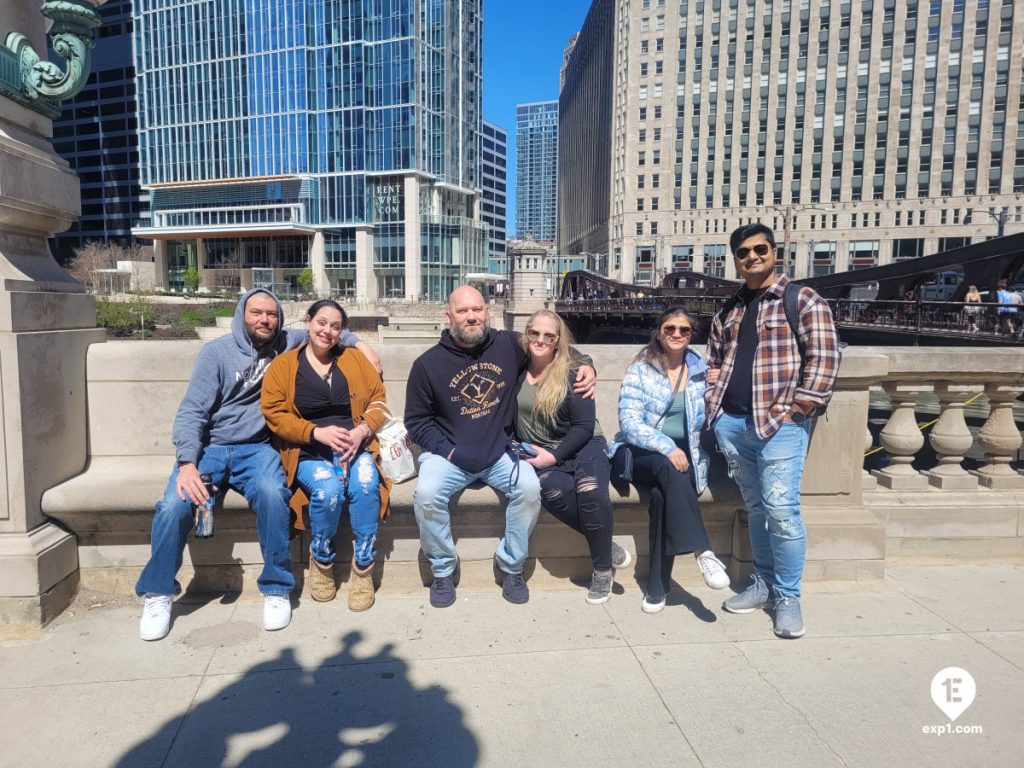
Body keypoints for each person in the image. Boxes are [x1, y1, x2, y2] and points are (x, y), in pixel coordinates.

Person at [135, 288, 379, 641]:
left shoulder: (285, 341)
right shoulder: (216, 353)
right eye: (256, 313)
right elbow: (192, 411)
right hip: (211, 448)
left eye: (271, 314)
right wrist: (187, 462)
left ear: (280, 319)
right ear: (241, 315)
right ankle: (158, 593)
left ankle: (277, 588)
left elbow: (327, 330)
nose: (264, 320)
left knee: (272, 496)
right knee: (174, 505)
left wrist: (362, 345)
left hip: (259, 448)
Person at [405, 286, 596, 608]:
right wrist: (450, 451)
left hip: (500, 452)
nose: (471, 317)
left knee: (529, 489)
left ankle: (511, 566)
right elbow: (417, 421)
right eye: (463, 311)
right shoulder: (427, 364)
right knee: (425, 495)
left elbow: (550, 347)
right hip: (449, 455)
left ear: (488, 311)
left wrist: (588, 364)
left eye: (477, 309)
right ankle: (442, 569)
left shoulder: (508, 345)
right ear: (448, 316)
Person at [706, 223, 840, 639]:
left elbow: (825, 358)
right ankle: (762, 584)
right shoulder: (729, 309)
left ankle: (787, 596)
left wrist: (797, 410)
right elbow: (715, 359)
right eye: (743, 252)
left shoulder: (801, 299)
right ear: (735, 259)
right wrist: (716, 400)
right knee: (759, 510)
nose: (752, 257)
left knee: (782, 513)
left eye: (759, 249)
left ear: (774, 251)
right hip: (733, 423)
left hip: (778, 425)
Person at [261, 300, 391, 611]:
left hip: (355, 446)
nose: (327, 331)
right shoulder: (284, 366)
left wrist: (360, 432)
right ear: (308, 322)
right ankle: (321, 558)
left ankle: (363, 566)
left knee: (364, 485)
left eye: (335, 326)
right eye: (321, 322)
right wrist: (316, 433)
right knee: (328, 491)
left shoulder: (354, 361)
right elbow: (274, 414)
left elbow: (379, 402)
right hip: (307, 450)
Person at [611, 306, 729, 614]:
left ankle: (656, 588)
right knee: (668, 467)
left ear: (691, 335)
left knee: (665, 498)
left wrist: (719, 384)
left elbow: (716, 416)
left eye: (684, 330)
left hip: (686, 457)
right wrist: (666, 446)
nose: (677, 334)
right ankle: (703, 551)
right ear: (659, 332)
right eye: (670, 329)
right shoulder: (641, 369)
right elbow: (630, 422)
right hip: (642, 453)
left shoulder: (701, 371)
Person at [514, 309, 630, 605]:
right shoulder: (514, 366)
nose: (540, 340)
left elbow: (583, 427)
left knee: (591, 492)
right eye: (534, 333)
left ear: (557, 341)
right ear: (526, 335)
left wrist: (553, 456)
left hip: (584, 443)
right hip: (540, 448)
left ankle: (602, 570)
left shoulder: (572, 370)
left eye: (548, 336)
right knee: (551, 491)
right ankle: (605, 545)